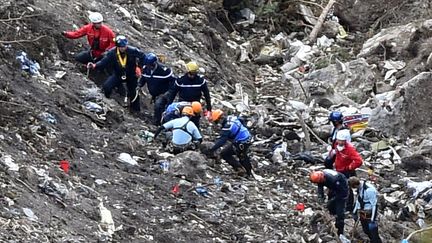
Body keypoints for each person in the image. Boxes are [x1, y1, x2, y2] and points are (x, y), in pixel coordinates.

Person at [87, 35, 145, 112]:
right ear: (117, 47)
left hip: (131, 74)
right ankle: (107, 102)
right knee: (106, 87)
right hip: (118, 74)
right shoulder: (112, 52)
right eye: (121, 47)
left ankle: (135, 110)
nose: (123, 48)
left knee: (134, 92)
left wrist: (139, 67)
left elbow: (143, 56)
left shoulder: (133, 50)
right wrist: (94, 65)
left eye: (124, 46)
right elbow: (104, 61)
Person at [208, 109, 252, 177]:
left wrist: (211, 149)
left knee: (228, 154)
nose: (218, 124)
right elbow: (241, 120)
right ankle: (245, 170)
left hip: (242, 141)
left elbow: (222, 141)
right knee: (241, 154)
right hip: (246, 136)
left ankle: (245, 172)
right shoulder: (231, 117)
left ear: (220, 119)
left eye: (217, 122)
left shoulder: (227, 127)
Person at [167, 61, 211, 127]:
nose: (192, 75)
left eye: (194, 73)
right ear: (187, 71)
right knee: (182, 121)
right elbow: (173, 93)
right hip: (183, 103)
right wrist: (169, 105)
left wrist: (209, 109)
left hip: (195, 104)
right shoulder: (180, 80)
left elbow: (207, 95)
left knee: (195, 122)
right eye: (191, 73)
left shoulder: (200, 81)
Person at [137, 53, 177, 125]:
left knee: (158, 105)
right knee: (158, 107)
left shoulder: (164, 70)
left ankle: (158, 122)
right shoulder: (146, 69)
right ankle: (160, 120)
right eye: (148, 65)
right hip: (154, 93)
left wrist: (169, 92)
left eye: (150, 65)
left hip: (164, 92)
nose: (149, 67)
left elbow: (173, 81)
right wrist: (139, 85)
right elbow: (143, 78)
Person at [310, 169, 349, 236]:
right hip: (333, 188)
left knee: (339, 212)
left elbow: (342, 193)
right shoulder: (320, 176)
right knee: (330, 207)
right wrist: (320, 197)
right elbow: (320, 187)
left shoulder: (333, 179)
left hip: (341, 188)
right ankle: (332, 218)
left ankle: (340, 232)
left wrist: (332, 200)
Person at [334, 129, 363, 212]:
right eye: (338, 140)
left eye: (341, 141)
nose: (339, 142)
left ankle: (349, 207)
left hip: (346, 172)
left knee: (347, 189)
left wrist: (350, 167)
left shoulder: (350, 149)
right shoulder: (336, 145)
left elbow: (359, 161)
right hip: (338, 170)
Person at [349, 177, 382, 243]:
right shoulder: (360, 189)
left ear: (355, 185)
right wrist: (354, 212)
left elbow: (374, 205)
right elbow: (358, 200)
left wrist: (373, 219)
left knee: (373, 233)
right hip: (362, 213)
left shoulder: (369, 190)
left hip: (369, 214)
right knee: (366, 230)